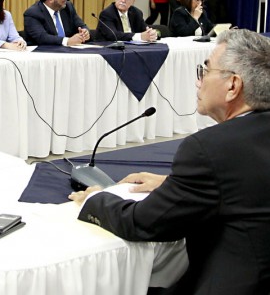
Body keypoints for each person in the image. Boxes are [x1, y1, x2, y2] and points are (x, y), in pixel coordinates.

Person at [69, 29, 270, 294]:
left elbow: (143, 222)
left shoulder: (208, 149)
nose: (198, 82)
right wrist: (172, 183)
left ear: (233, 85)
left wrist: (96, 198)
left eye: (204, 71)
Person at [23, 0, 90, 46]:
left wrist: (85, 32)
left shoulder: (68, 7)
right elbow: (42, 37)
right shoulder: (33, 13)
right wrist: (67, 41)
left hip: (69, 52)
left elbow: (81, 25)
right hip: (44, 53)